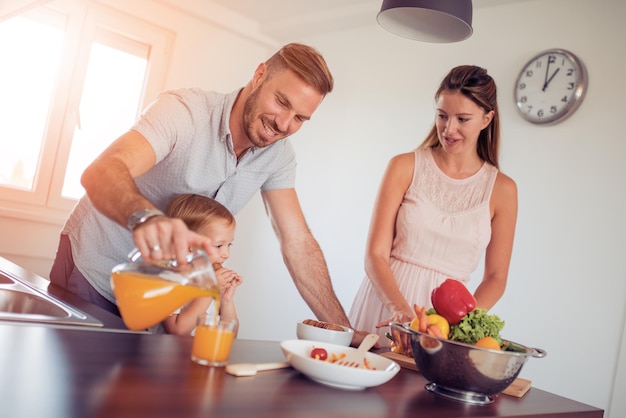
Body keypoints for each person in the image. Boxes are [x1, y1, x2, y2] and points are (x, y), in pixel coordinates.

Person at [50, 43, 364, 344]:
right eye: (282, 102)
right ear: (259, 75)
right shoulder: (183, 112)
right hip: (98, 271)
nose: (283, 124)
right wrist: (144, 217)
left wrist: (344, 332)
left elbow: (298, 242)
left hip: (162, 303)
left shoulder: (279, 156)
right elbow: (103, 170)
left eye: (300, 118)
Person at [348, 65, 518, 347]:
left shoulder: (503, 189)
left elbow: (496, 277)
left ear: (487, 119)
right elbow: (375, 255)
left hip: (444, 325)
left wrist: (459, 326)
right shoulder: (404, 166)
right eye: (442, 116)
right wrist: (400, 311)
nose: (449, 129)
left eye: (463, 119)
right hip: (386, 307)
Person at [151, 194, 241, 336]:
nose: (226, 254)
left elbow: (231, 334)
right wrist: (209, 289)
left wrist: (226, 299)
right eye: (218, 246)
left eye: (229, 244)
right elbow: (177, 330)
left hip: (203, 354)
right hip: (170, 356)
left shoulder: (211, 277)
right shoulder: (169, 277)